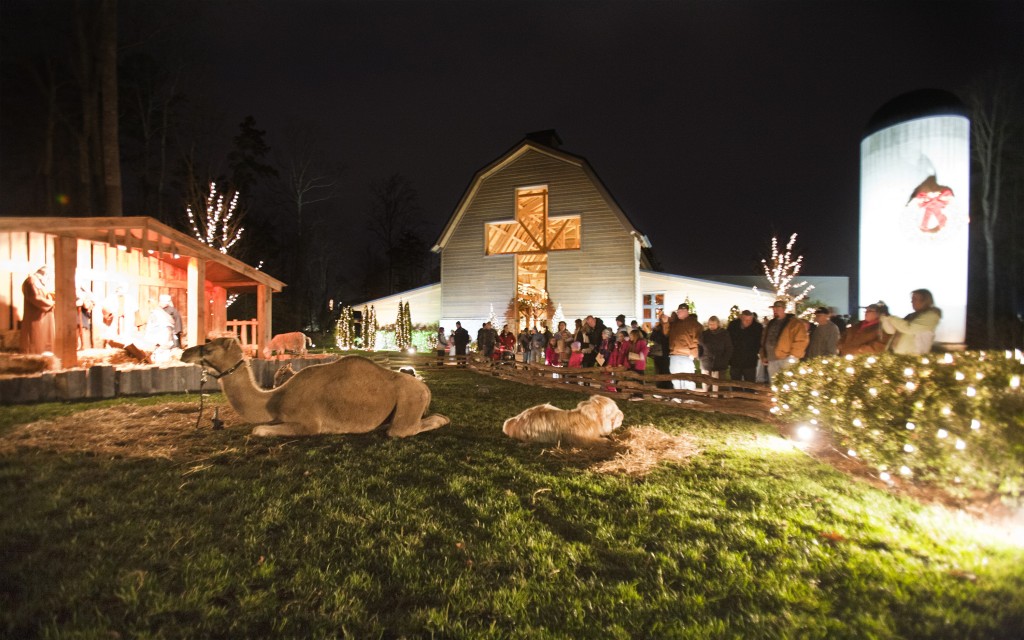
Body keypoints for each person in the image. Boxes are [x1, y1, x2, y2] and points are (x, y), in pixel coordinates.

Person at [760, 301, 809, 382]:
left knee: (787, 383)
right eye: (774, 308)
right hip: (772, 359)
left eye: (777, 308)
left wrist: (793, 356)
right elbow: (764, 339)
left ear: (784, 309)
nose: (775, 310)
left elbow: (802, 340)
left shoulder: (795, 323)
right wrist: (764, 355)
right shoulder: (771, 323)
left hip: (786, 359)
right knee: (774, 383)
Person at [881, 289, 942, 354]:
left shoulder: (931, 316)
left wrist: (891, 317)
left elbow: (909, 328)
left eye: (915, 299)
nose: (912, 301)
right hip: (898, 355)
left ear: (925, 301)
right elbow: (891, 331)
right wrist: (885, 317)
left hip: (914, 357)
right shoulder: (911, 316)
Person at [20, 265, 55, 355]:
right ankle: (34, 354)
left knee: (45, 336)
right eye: (48, 276)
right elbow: (35, 298)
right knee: (35, 337)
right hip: (35, 317)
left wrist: (51, 298)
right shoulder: (31, 281)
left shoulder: (40, 283)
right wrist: (51, 303)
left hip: (44, 316)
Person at [666, 303, 702, 390]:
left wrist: (693, 352)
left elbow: (697, 339)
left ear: (685, 311)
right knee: (675, 376)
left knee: (688, 377)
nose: (678, 313)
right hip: (674, 354)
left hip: (686, 355)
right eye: (677, 311)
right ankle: (677, 395)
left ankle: (689, 395)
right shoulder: (675, 324)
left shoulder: (694, 324)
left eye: (679, 311)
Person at [698, 315, 733, 391]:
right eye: (710, 324)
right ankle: (706, 398)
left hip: (720, 363)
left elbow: (728, 348)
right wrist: (700, 357)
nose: (712, 326)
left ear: (718, 324)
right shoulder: (704, 334)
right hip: (706, 363)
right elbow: (699, 347)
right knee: (706, 384)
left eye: (713, 324)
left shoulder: (724, 334)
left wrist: (725, 360)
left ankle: (717, 400)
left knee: (718, 386)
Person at [727, 310, 762, 383]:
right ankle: (736, 394)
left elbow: (760, 343)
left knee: (750, 383)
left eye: (750, 320)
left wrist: (755, 351)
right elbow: (728, 341)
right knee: (735, 382)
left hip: (750, 361)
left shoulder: (757, 327)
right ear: (741, 318)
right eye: (746, 320)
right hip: (735, 360)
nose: (748, 322)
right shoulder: (733, 326)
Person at [650, 311, 672, 389]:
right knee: (659, 370)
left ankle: (667, 387)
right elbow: (652, 338)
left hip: (666, 352)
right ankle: (660, 387)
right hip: (659, 352)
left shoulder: (670, 327)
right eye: (662, 318)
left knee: (666, 370)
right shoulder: (657, 328)